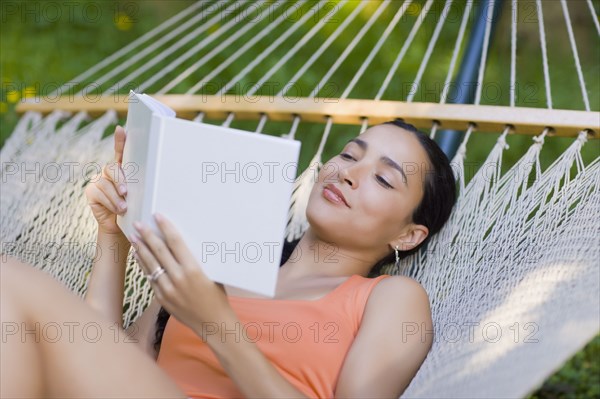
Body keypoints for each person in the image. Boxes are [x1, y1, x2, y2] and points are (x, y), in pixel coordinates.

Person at [1, 118, 457, 398]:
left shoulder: (393, 298)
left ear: (410, 234)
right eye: (348, 154)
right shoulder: (216, 261)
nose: (350, 173)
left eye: (383, 179)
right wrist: (113, 233)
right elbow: (107, 363)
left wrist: (215, 322)